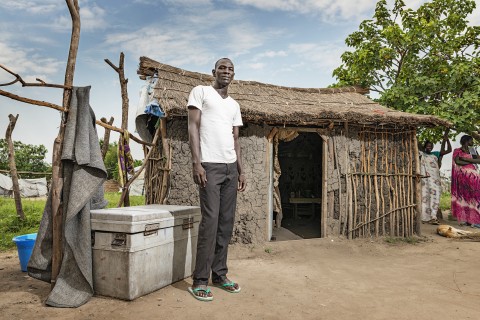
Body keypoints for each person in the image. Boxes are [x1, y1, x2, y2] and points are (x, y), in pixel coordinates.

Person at [187, 58, 247, 302]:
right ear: (213, 71)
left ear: (234, 74)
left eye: (231, 68)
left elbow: (235, 140)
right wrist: (196, 162)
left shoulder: (234, 105)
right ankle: (200, 280)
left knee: (225, 223)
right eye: (222, 67)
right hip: (209, 166)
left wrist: (241, 170)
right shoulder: (200, 92)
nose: (226, 71)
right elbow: (192, 127)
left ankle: (220, 275)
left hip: (230, 168)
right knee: (210, 222)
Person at [420, 132, 451, 224]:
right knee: (424, 196)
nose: (429, 147)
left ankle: (433, 216)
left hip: (435, 180)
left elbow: (449, 150)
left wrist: (447, 139)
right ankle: (425, 217)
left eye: (431, 146)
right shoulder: (421, 154)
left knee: (435, 196)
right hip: (425, 179)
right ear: (425, 146)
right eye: (428, 146)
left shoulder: (436, 154)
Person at [451, 135, 480, 228]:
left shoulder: (472, 150)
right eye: (471, 140)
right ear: (466, 141)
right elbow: (458, 162)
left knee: (475, 196)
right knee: (465, 196)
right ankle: (467, 220)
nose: (473, 142)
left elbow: (479, 160)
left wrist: (466, 159)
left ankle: (474, 219)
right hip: (463, 176)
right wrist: (472, 161)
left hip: (474, 176)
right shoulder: (457, 150)